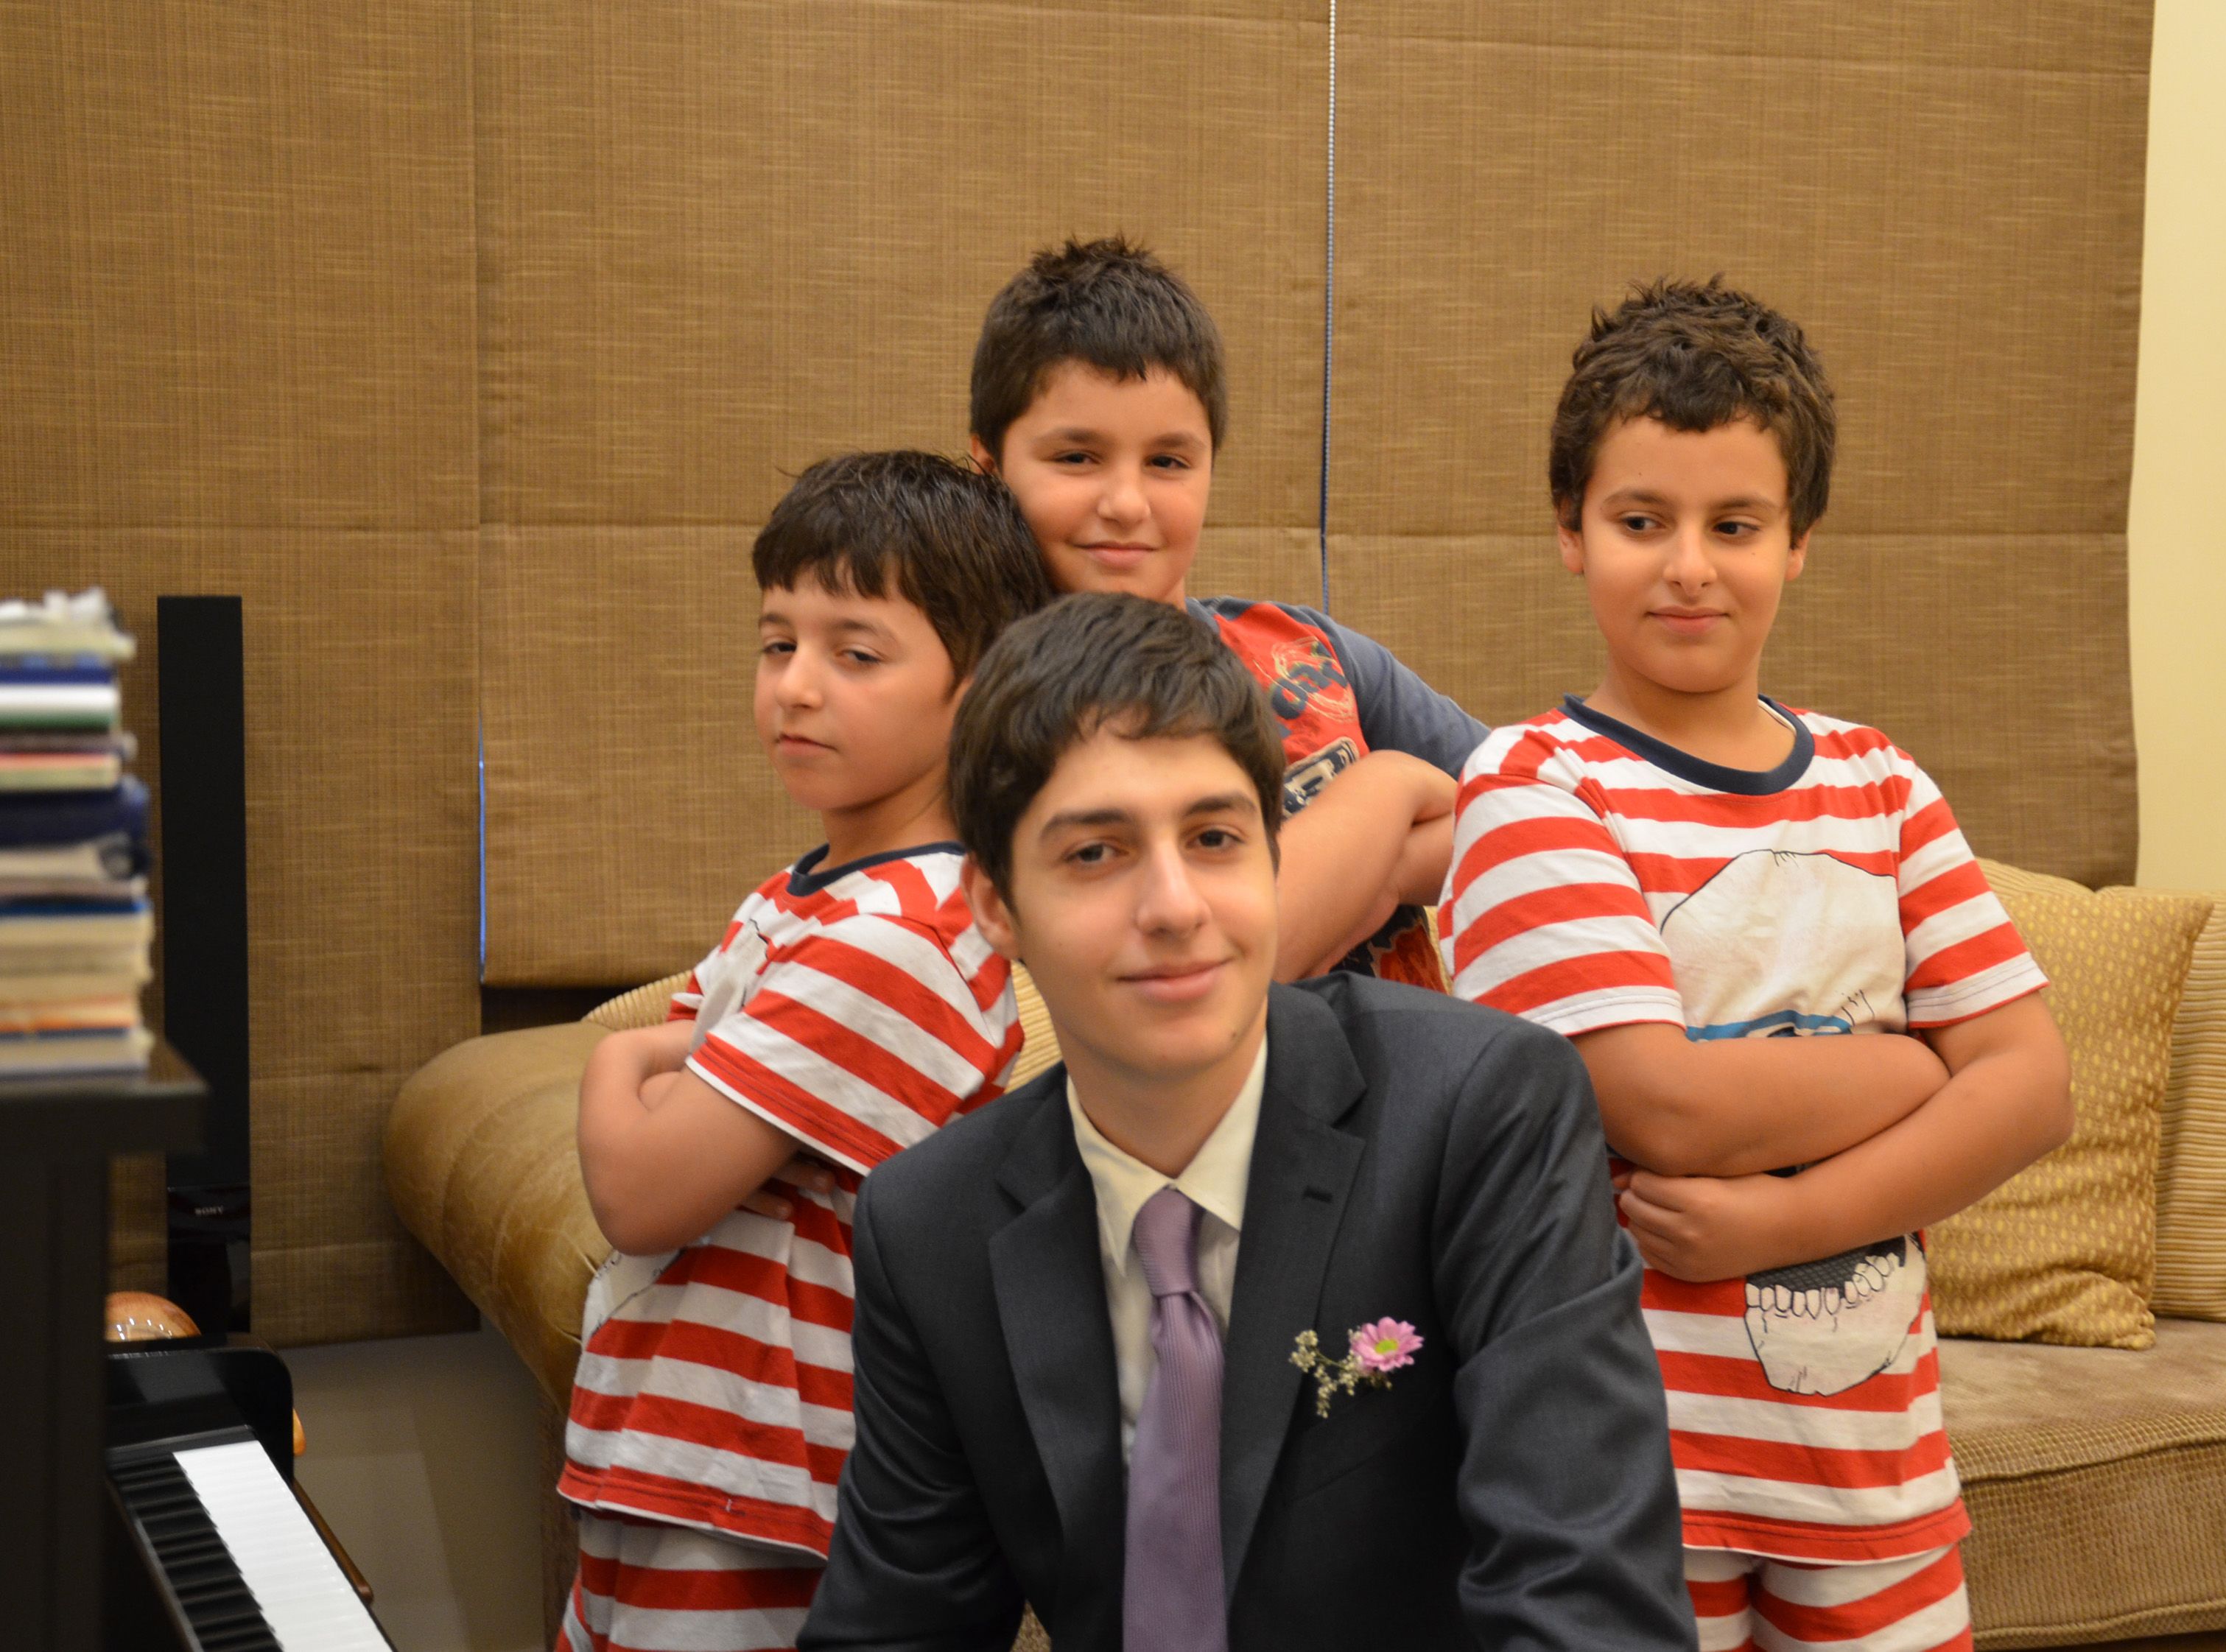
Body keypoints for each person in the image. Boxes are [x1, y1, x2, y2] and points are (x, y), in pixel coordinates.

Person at [800, 591, 1698, 1651]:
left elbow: (1590, 1606)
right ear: (996, 905)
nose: (1176, 904)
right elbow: (893, 1630)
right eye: (1096, 853)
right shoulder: (931, 1224)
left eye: (1215, 836)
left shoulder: (1479, 1110)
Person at [1442, 278, 2074, 1652]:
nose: (1689, 566)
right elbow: (1654, 1103)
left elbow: (2029, 1091)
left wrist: (1784, 1222)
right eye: (1640, 521)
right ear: (1568, 531)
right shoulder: (1536, 784)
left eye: (1736, 525)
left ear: (1801, 543)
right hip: (1627, 1474)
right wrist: (1912, 1063)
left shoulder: (1882, 782)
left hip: (1875, 1465)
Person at [558, 451, 1053, 1652]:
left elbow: (641, 1187)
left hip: (764, 1475)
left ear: (978, 687)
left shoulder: (898, 935)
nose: (797, 684)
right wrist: (666, 1068)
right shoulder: (806, 895)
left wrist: (611, 1067)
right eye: (779, 642)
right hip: (682, 1446)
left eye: (856, 651)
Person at [969, 236, 1485, 986]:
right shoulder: (982, 715)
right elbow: (1224, 960)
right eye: (1076, 458)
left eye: (1168, 460)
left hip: (1420, 1094)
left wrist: (1383, 868)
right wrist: (1387, 795)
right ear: (990, 467)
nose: (1125, 503)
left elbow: (1536, 820)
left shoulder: (1311, 652)